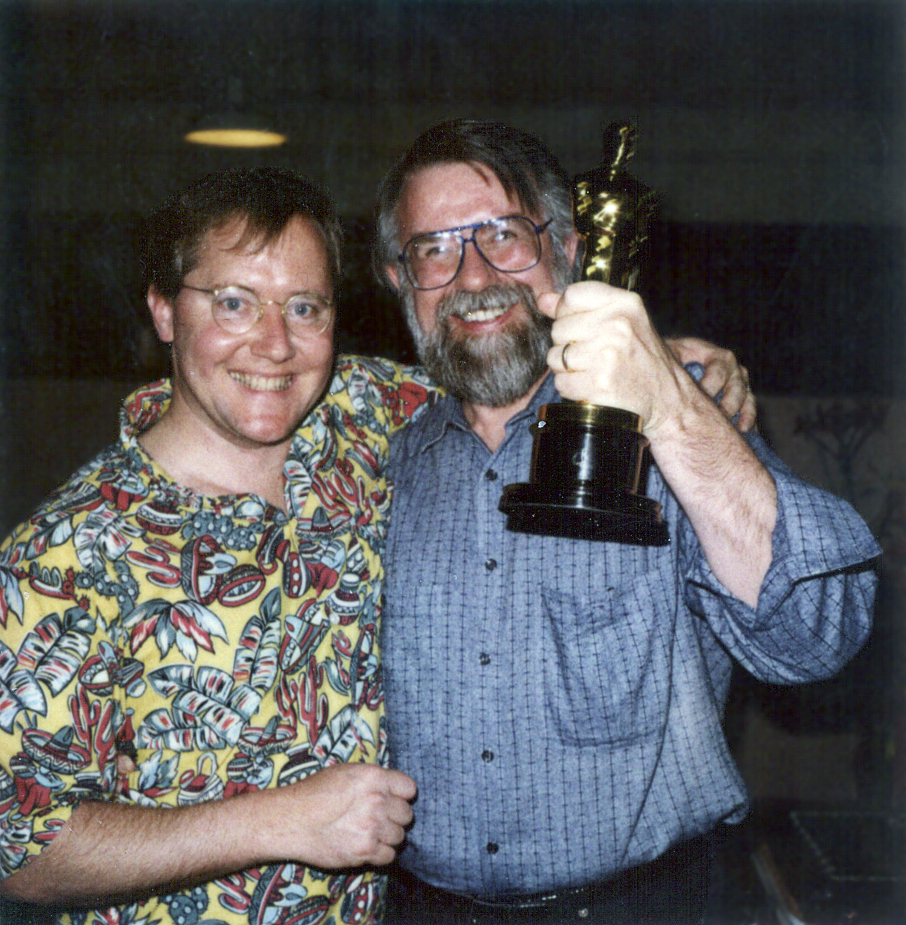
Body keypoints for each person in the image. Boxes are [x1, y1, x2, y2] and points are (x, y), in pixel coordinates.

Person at [374, 119, 881, 924]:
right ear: (402, 283)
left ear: (571, 253)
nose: (471, 274)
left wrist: (674, 403)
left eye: (503, 235)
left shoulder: (677, 418)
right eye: (434, 248)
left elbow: (818, 635)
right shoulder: (375, 464)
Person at [0, 166, 438, 925]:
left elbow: (512, 387)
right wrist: (279, 820)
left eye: (305, 307)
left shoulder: (364, 417)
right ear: (165, 309)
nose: (274, 344)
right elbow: (19, 846)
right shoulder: (62, 559)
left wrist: (687, 369)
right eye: (234, 302)